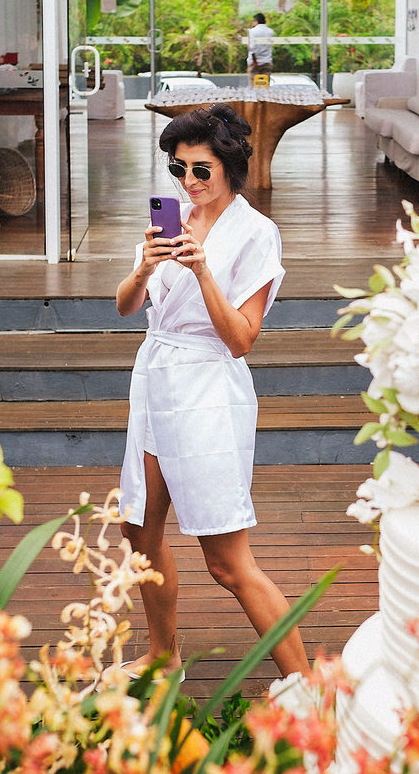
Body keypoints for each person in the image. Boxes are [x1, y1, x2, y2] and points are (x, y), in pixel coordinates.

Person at [115, 103, 310, 681]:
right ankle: (163, 657)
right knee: (139, 529)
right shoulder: (170, 220)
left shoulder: (255, 234)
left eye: (201, 169)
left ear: (229, 166)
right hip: (156, 380)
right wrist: (145, 269)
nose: (188, 181)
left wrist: (202, 272)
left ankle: (307, 689)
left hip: (207, 390)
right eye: (178, 169)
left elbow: (242, 339)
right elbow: (126, 306)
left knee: (227, 562)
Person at [247, 13, 275, 85]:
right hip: (267, 61)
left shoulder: (252, 31)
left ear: (256, 21)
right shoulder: (271, 31)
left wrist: (254, 61)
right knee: (265, 85)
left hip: (254, 62)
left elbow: (252, 48)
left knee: (253, 86)